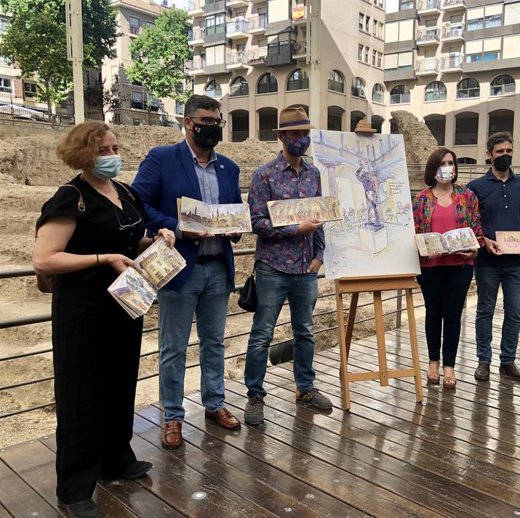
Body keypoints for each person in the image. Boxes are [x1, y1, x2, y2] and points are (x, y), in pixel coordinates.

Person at [33, 122, 175, 518]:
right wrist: (103, 259)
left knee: (118, 383)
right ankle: (75, 487)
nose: (114, 154)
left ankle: (117, 459)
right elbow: (45, 258)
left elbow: (130, 241)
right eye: (104, 150)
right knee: (81, 396)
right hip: (83, 313)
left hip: (123, 308)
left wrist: (157, 239)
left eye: (115, 146)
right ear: (84, 155)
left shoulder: (124, 192)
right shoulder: (70, 198)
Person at [132, 95, 242, 450]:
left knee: (214, 343)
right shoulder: (162, 159)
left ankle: (214, 404)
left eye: (217, 121)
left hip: (218, 269)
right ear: (188, 122)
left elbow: (233, 209)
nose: (213, 127)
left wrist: (236, 225)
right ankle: (173, 416)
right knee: (173, 347)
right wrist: (177, 228)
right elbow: (137, 203)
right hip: (180, 269)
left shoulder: (229, 168)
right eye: (206, 120)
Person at [244, 106, 331, 425]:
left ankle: (305, 387)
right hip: (272, 267)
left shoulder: (314, 175)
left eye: (305, 134)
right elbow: (256, 222)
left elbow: (320, 219)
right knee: (262, 333)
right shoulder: (264, 175)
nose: (301, 139)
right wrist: (296, 230)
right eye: (295, 134)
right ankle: (255, 394)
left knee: (305, 331)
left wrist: (319, 255)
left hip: (305, 269)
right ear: (281, 136)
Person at [467, 132, 520, 382]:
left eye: (508, 151)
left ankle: (508, 361)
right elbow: (471, 224)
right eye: (499, 152)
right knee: (485, 310)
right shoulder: (475, 187)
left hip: (517, 261)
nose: (505, 155)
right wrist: (485, 240)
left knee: (515, 312)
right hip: (487, 261)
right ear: (489, 155)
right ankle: (483, 360)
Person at [412, 148, 483, 389]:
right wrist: (421, 246)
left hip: (460, 266)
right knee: (433, 314)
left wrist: (474, 248)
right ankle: (433, 361)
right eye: (442, 163)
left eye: (451, 162)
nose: (447, 167)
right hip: (431, 266)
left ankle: (449, 365)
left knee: (453, 317)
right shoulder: (421, 199)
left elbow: (477, 230)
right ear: (433, 167)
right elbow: (413, 232)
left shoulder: (467, 196)